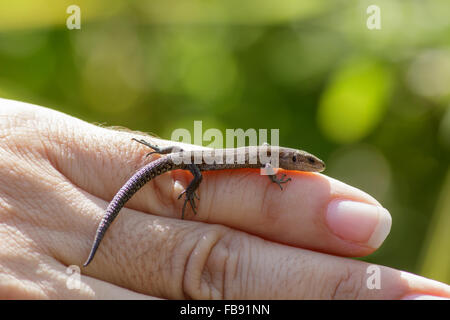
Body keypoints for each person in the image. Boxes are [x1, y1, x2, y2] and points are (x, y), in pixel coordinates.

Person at [0, 98, 448, 299]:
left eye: (309, 164)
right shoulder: (275, 160)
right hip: (191, 164)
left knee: (175, 161)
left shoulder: (274, 159)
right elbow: (267, 171)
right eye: (309, 163)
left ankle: (160, 163)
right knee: (182, 170)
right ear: (295, 160)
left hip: (187, 159)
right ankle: (160, 169)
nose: (312, 167)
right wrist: (274, 183)